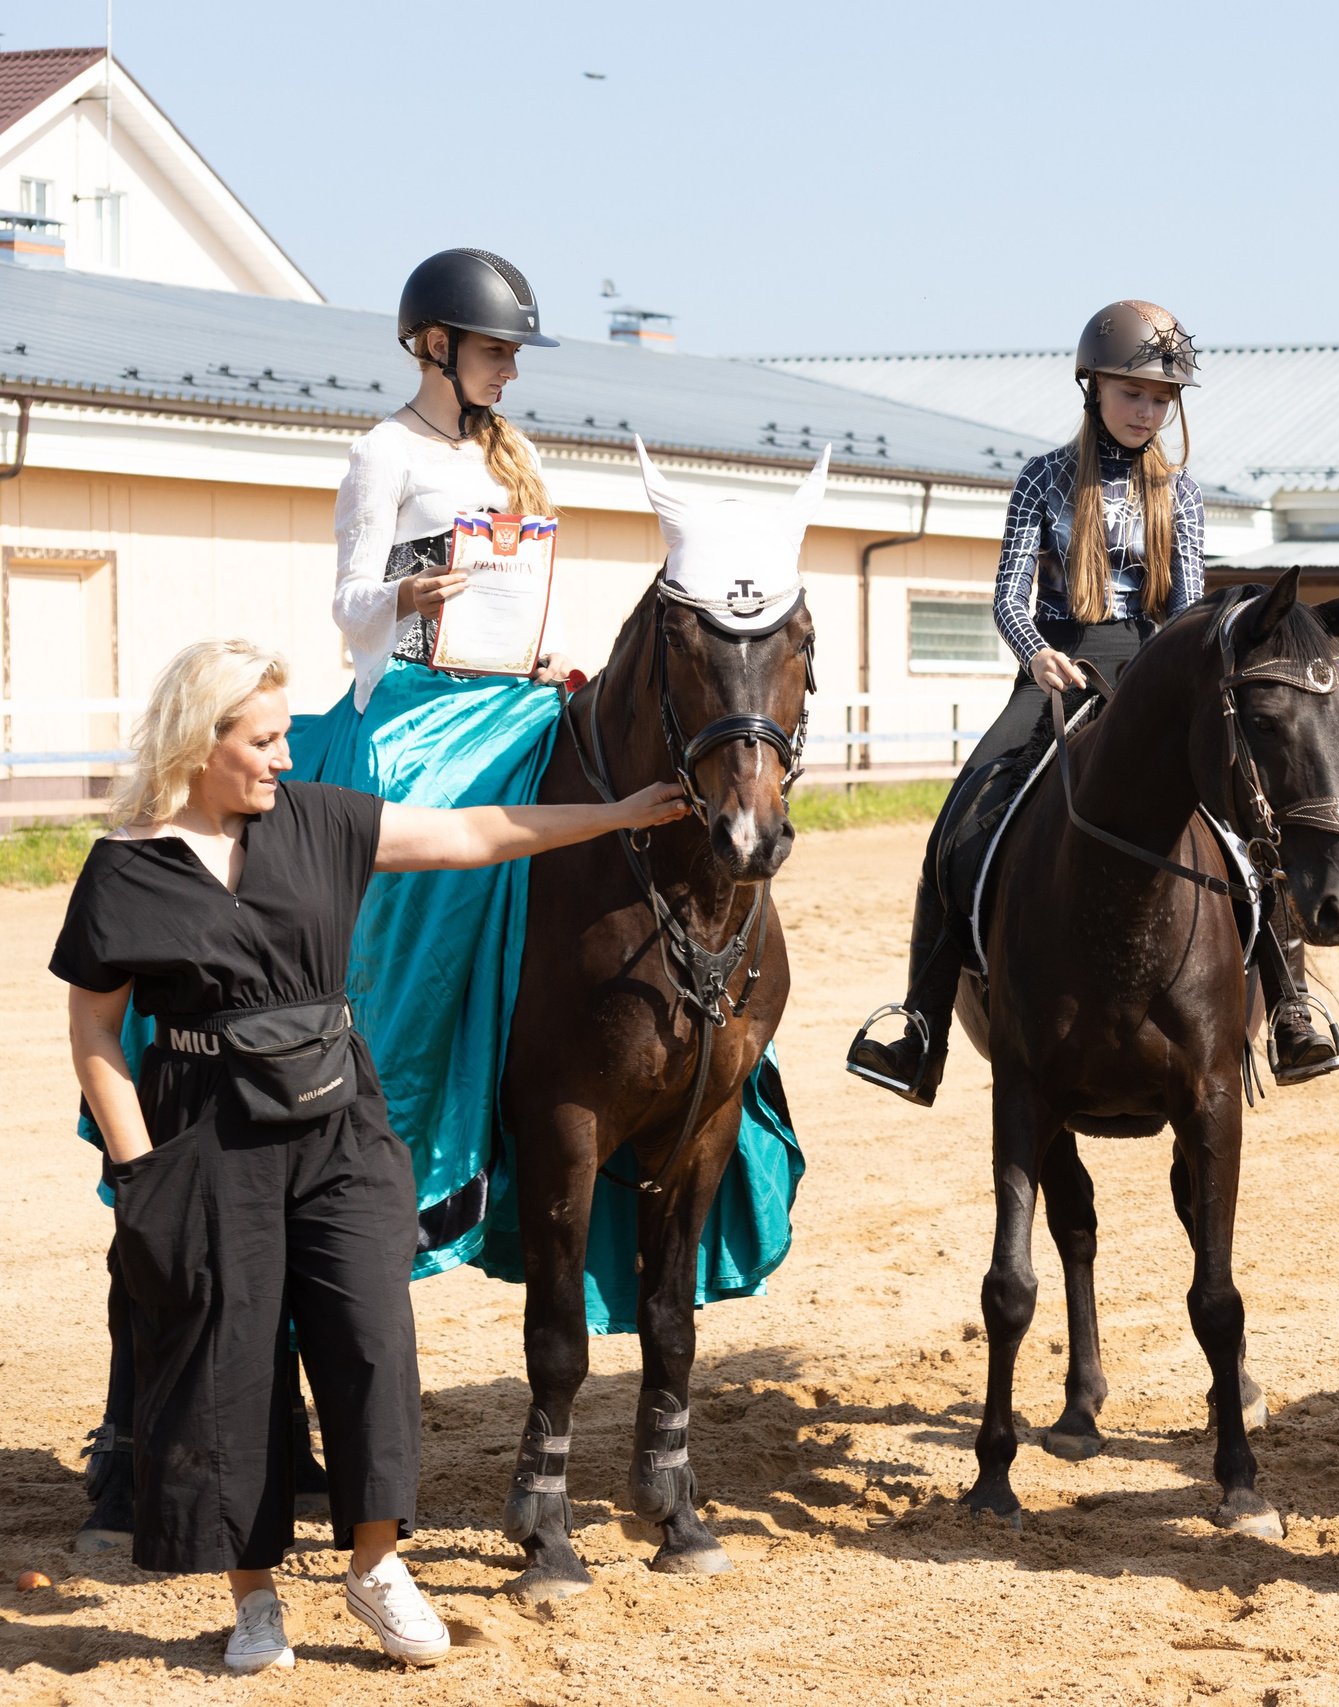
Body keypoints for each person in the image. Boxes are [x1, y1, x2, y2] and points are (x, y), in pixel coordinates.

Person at [72, 249, 572, 1545]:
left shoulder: (513, 460)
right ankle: (379, 1065)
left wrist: (542, 654)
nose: (510, 368)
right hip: (405, 712)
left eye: (513, 352)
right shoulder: (381, 453)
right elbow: (347, 600)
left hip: (505, 695)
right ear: (432, 345)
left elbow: (527, 594)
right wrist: (402, 595)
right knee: (415, 845)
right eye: (495, 348)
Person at [57, 639, 684, 1671]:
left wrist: (615, 815)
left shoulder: (318, 821)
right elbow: (93, 1032)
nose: (281, 759)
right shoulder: (127, 867)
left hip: (338, 1124)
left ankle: (375, 1567)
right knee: (235, 1367)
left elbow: (476, 833)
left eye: (283, 738)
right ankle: (254, 1599)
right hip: (209, 1138)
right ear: (200, 743)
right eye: (261, 741)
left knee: (372, 1345)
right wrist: (140, 1176)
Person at [849, 300, 1339, 1106]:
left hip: (1154, 677)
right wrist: (1036, 654)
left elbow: (1187, 605)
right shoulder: (1043, 478)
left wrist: (1174, 674)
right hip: (1055, 665)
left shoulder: (1180, 494)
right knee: (962, 815)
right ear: (1093, 388)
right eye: (1133, 395)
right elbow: (1009, 596)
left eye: (1162, 400)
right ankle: (921, 1026)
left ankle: (1292, 1005)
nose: (1148, 412)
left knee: (1244, 814)